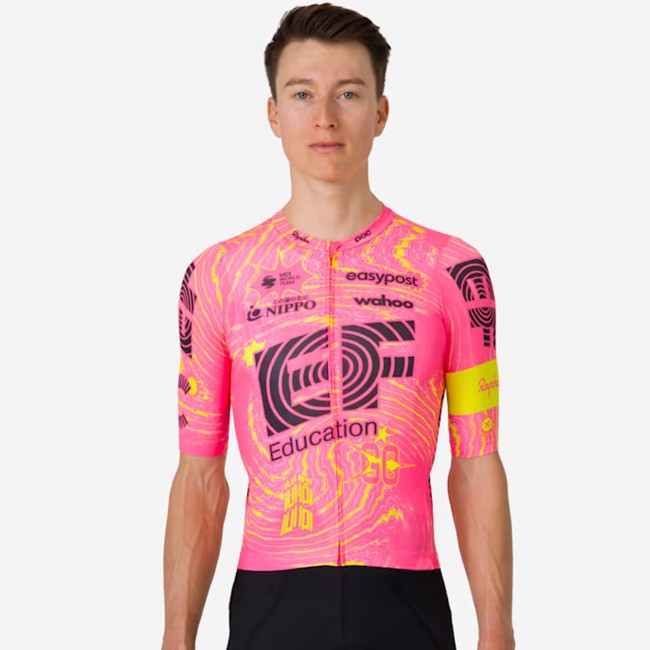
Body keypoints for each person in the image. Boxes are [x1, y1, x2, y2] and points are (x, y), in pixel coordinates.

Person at [162, 3, 515, 649]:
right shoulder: (218, 277)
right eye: (302, 94)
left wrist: (497, 629)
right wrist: (176, 637)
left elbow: (477, 460)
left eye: (348, 93)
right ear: (273, 114)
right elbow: (200, 474)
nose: (324, 116)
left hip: (406, 602)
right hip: (271, 603)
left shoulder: (450, 270)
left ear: (380, 112)